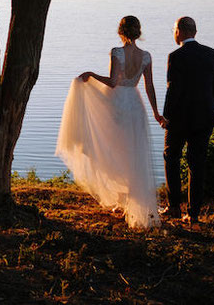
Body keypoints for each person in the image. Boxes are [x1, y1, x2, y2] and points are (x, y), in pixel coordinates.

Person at [56, 16, 163, 228]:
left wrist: (91, 74)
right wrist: (156, 112)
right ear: (139, 32)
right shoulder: (146, 56)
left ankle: (123, 200)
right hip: (135, 103)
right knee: (133, 153)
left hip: (117, 104)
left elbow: (113, 82)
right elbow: (149, 86)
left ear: (120, 31)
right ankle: (132, 203)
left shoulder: (117, 52)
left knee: (113, 149)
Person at [160, 16, 214, 226]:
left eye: (173, 29)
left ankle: (174, 207)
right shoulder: (211, 54)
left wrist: (166, 116)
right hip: (205, 117)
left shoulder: (175, 56)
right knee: (197, 165)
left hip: (179, 119)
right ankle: (193, 213)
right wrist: (212, 110)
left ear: (180, 31)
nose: (173, 33)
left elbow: (173, 90)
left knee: (171, 158)